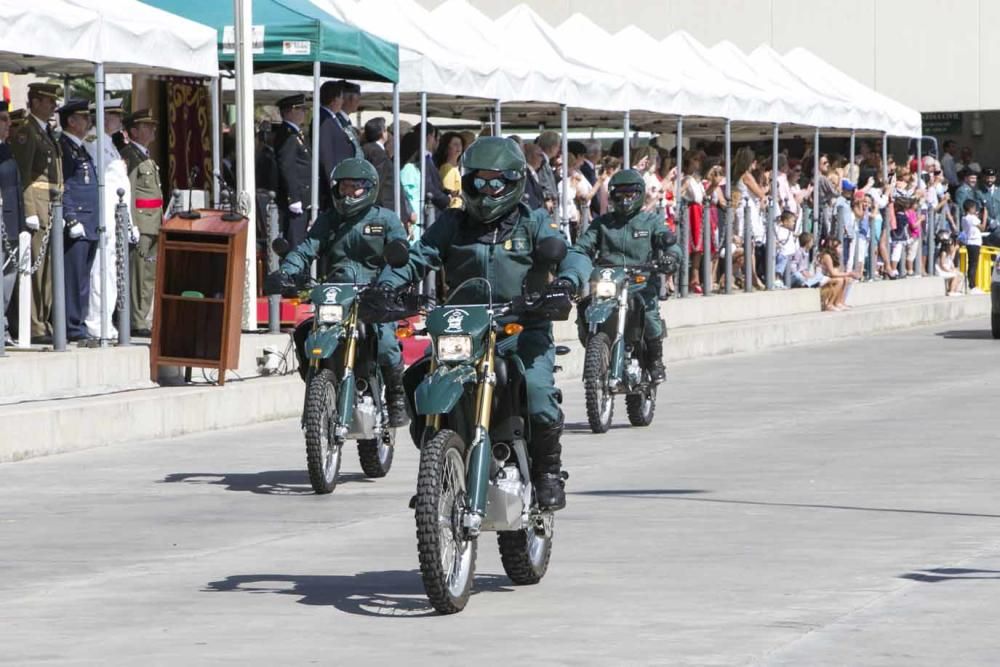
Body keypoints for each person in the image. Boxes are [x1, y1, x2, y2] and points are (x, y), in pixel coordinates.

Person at [374, 137, 590, 511]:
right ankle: (438, 472)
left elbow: (572, 255)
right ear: (467, 181)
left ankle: (547, 473)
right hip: (463, 332)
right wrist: (387, 287)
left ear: (515, 182)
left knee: (538, 396)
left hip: (521, 331)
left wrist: (566, 285)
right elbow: (417, 257)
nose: (488, 191)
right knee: (419, 381)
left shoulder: (533, 222)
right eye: (479, 182)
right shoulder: (452, 224)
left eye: (497, 182)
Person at [267, 158, 409, 426]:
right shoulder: (329, 220)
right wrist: (286, 271)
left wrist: (387, 284)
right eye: (343, 187)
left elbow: (401, 259)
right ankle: (320, 389)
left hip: (374, 295)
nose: (347, 193)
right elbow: (307, 248)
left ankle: (396, 396)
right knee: (304, 332)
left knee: (386, 342)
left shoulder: (386, 220)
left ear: (369, 188)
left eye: (354, 187)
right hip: (336, 292)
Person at [570, 168, 678, 383]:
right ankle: (596, 349)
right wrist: (571, 262)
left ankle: (656, 361)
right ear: (612, 196)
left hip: (641, 282)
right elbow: (582, 247)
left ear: (639, 195)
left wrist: (670, 258)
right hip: (608, 281)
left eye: (630, 194)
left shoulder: (651, 222)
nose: (625, 199)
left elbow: (670, 244)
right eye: (620, 195)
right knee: (583, 305)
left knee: (649, 315)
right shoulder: (602, 223)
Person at [10, 82, 63, 344]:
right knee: (35, 268)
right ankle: (32, 324)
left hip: (51, 205)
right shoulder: (27, 132)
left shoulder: (45, 131)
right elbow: (23, 174)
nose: (53, 106)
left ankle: (43, 320)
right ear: (35, 102)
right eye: (48, 101)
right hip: (38, 205)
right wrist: (29, 209)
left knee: (48, 271)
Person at [84, 97, 134, 341]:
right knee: (100, 269)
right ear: (103, 116)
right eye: (115, 115)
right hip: (104, 213)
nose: (120, 120)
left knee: (111, 268)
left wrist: (129, 221)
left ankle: (107, 320)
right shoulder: (93, 142)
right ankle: (97, 321)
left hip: (117, 214)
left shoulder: (109, 143)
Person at [56, 100, 100, 343]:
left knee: (83, 279)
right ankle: (73, 327)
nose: (88, 122)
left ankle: (78, 324)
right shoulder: (63, 147)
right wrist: (70, 216)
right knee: (74, 279)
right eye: (84, 118)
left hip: (90, 220)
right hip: (77, 221)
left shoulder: (80, 147)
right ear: (71, 121)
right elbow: (63, 185)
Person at [117, 109, 163, 337]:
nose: (152, 129)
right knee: (138, 274)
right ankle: (136, 320)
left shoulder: (145, 155)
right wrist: (131, 224)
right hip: (141, 224)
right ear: (133, 131)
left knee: (148, 275)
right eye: (146, 126)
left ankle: (142, 317)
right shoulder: (130, 156)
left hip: (152, 223)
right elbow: (129, 192)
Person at [272, 94, 312, 250]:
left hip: (303, 196)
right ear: (289, 111)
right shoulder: (287, 135)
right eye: (300, 109)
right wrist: (293, 197)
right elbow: (287, 167)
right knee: (295, 243)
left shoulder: (296, 134)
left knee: (301, 242)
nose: (304, 112)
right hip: (296, 199)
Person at [1, 99, 25, 345]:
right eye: (3, 119)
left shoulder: (7, 149)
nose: (8, 124)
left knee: (9, 277)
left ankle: (3, 326)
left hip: (11, 221)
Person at [318, 80, 362, 211]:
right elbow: (326, 154)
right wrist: (334, 181)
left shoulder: (332, 119)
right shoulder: (325, 120)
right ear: (334, 100)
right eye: (341, 98)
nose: (342, 102)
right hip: (335, 182)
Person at [362, 116, 414, 226]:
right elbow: (378, 181)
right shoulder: (377, 152)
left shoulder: (369, 149)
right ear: (382, 133)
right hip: (386, 206)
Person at [433, 131, 464, 209]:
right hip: (454, 209)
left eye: (460, 144)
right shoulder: (447, 168)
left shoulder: (456, 167)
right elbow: (449, 193)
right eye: (455, 144)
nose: (459, 147)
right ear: (447, 147)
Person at [961, 197, 985, 293]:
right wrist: (985, 216)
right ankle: (972, 286)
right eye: (974, 208)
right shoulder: (972, 218)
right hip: (974, 243)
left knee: (971, 264)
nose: (975, 210)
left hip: (969, 242)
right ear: (970, 208)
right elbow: (982, 228)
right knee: (973, 265)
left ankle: (970, 284)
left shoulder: (964, 218)